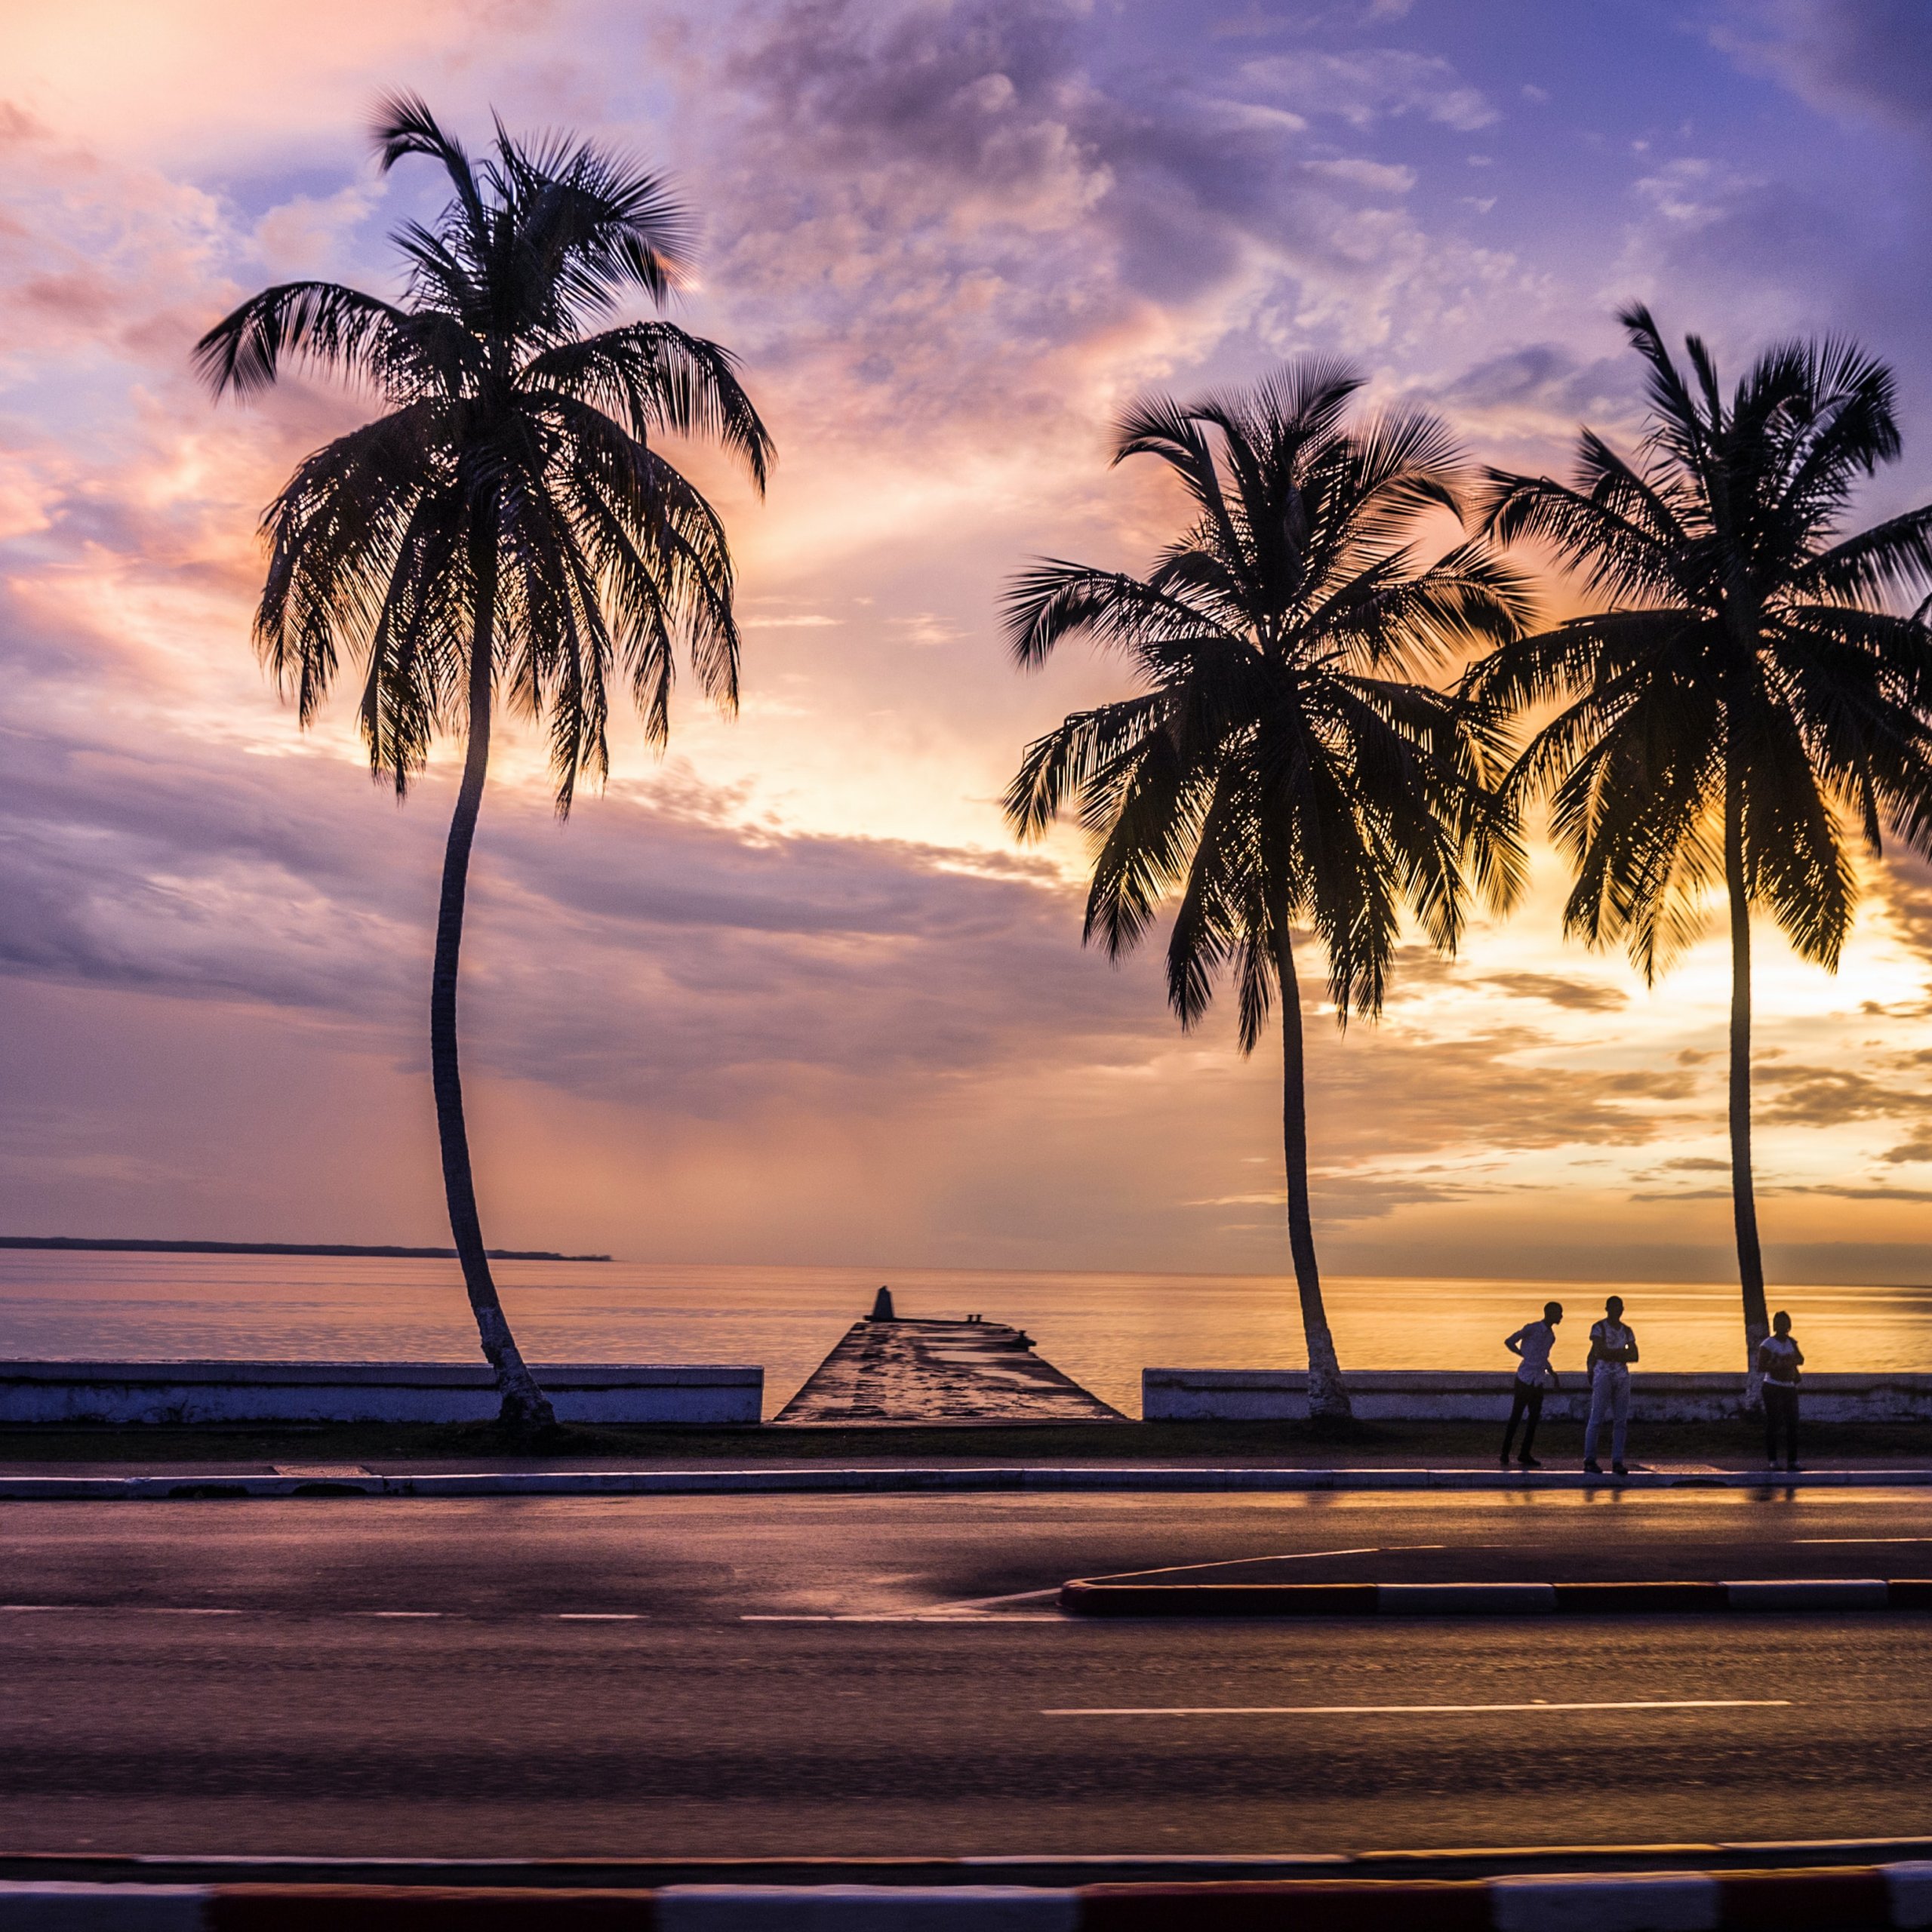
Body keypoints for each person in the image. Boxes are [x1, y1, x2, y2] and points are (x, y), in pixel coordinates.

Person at [1501, 1301, 1563, 1468]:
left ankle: (1524, 1454)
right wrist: (1522, 1354)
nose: (1561, 1316)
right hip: (1524, 1379)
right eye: (1559, 1313)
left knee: (1534, 1420)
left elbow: (1542, 1358)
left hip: (1538, 1381)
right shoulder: (1532, 1329)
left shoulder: (1551, 1337)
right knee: (1516, 1417)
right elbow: (1509, 1341)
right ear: (1549, 1313)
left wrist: (1552, 1373)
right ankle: (1505, 1453)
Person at [1583, 1294, 1638, 1476]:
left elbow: (1635, 1356)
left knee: (1621, 1421)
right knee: (1596, 1418)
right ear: (1607, 1309)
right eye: (1614, 1307)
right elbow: (1600, 1351)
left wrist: (1610, 1353)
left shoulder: (1627, 1331)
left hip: (1622, 1377)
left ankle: (1617, 1461)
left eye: (1620, 1307)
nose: (1618, 1311)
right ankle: (1590, 1460)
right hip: (1603, 1376)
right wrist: (1621, 1353)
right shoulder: (1599, 1328)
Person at [1759, 1309, 1804, 1472]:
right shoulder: (1767, 1344)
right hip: (1772, 1387)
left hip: (1789, 1387)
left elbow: (1801, 1359)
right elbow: (1761, 1366)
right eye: (1780, 1323)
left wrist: (1790, 1361)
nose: (1784, 1326)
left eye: (1786, 1323)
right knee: (1774, 1424)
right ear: (1775, 1325)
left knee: (1792, 1425)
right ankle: (1773, 1461)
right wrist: (1777, 1364)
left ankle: (1792, 1461)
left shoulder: (1792, 1342)